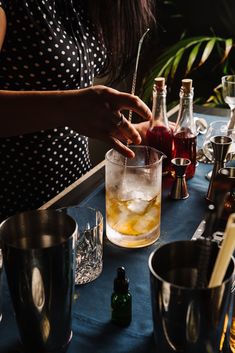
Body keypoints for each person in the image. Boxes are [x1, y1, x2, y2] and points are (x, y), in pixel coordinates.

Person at [0, 0, 156, 222]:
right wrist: (68, 107)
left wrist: (122, 128)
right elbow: (72, 106)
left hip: (77, 193)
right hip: (19, 207)